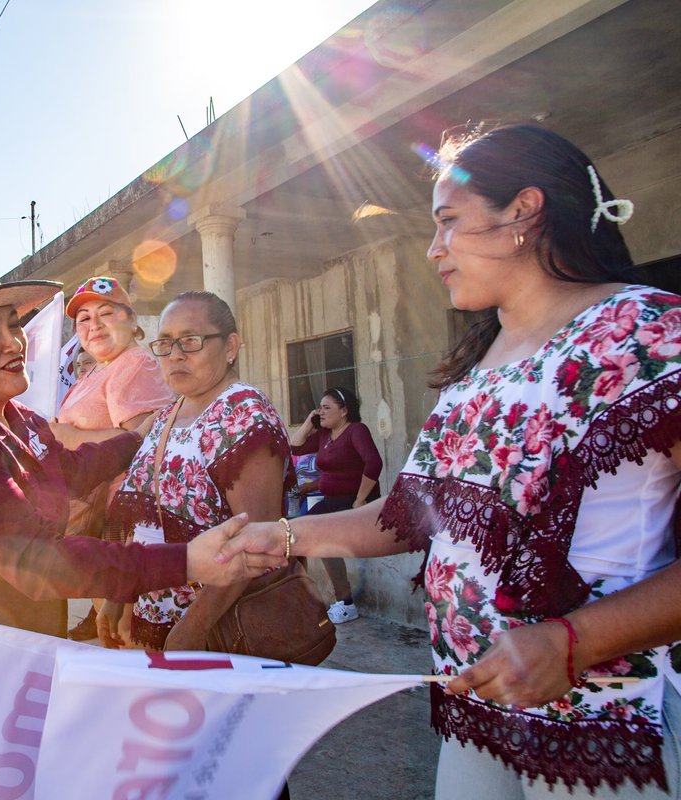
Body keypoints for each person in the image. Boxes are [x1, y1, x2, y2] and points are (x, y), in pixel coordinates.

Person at [210, 124, 681, 797]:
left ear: (524, 210)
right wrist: (277, 536)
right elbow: (408, 515)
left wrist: (572, 641)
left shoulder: (646, 333)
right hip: (478, 709)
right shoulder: (477, 365)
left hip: (606, 727)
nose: (434, 249)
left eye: (449, 223)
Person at [0, 259, 253, 788]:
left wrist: (144, 435)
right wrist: (185, 561)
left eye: (13, 325)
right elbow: (35, 560)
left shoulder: (11, 416)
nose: (14, 342)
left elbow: (70, 469)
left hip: (2, 658)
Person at [98, 290, 293, 651]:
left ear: (230, 346)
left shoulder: (243, 414)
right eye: (166, 343)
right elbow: (144, 517)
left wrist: (194, 627)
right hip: (156, 621)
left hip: (217, 631)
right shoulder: (168, 414)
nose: (175, 355)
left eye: (191, 341)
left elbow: (257, 541)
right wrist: (119, 594)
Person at [52, 275, 174, 639]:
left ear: (132, 321)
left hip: (123, 523)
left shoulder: (135, 364)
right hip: (96, 519)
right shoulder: (100, 369)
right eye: (84, 319)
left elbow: (148, 443)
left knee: (126, 635)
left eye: (106, 313)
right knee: (110, 630)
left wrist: (69, 435)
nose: (94, 325)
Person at [289, 386, 382, 624]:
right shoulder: (323, 436)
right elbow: (295, 446)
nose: (321, 411)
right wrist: (310, 422)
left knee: (318, 538)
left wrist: (360, 500)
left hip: (349, 502)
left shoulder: (356, 431)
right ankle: (302, 598)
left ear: (344, 411)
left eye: (326, 407)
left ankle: (345, 602)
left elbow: (373, 464)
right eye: (319, 407)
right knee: (294, 533)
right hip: (328, 501)